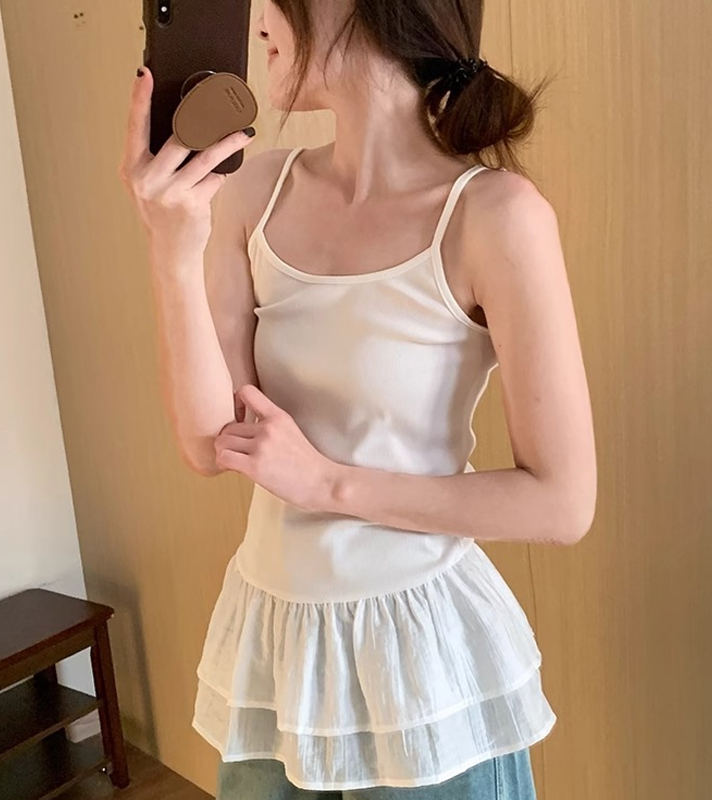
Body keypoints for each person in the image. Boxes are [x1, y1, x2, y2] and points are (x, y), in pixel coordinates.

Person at [119, 0, 597, 797]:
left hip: (419, 666)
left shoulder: (495, 216)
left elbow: (561, 503)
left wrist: (327, 483)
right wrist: (171, 246)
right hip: (277, 647)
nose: (257, 18)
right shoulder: (253, 192)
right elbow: (210, 444)